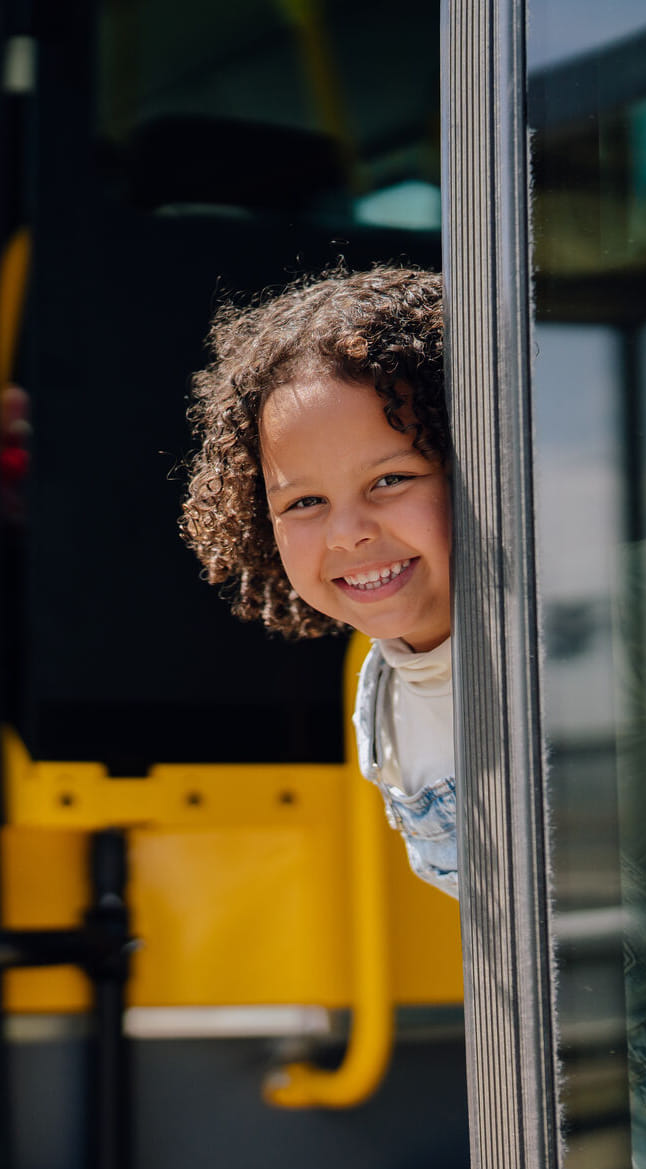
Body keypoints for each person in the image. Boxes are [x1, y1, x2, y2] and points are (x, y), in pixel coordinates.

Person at [180, 265, 458, 897]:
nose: (347, 533)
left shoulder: (639, 606)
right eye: (304, 503)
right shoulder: (379, 702)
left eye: (390, 481)